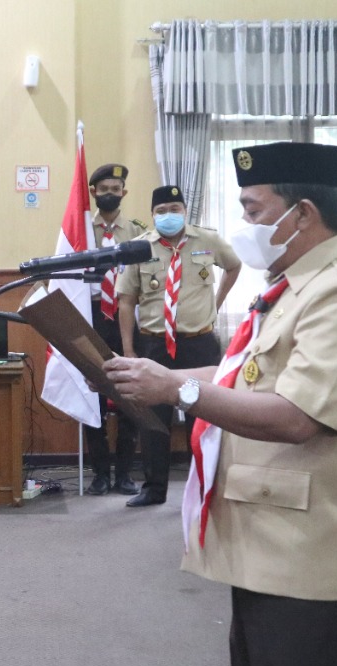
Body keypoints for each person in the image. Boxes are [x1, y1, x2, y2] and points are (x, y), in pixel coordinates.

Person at [107, 141, 337, 666]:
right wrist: (157, 376)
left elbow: (298, 415)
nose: (245, 224)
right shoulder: (296, 284)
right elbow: (240, 373)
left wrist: (176, 392)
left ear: (303, 216)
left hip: (316, 561)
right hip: (274, 548)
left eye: (254, 209)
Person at [115, 184, 240, 507]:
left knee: (204, 415)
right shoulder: (140, 248)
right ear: (152, 214)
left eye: (174, 209)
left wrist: (217, 301)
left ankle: (206, 486)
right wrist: (129, 350)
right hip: (155, 344)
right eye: (161, 211)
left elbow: (234, 265)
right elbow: (126, 301)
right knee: (153, 418)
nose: (168, 216)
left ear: (185, 211)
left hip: (198, 343)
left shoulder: (207, 240)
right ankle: (154, 489)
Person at [83, 163, 141, 496]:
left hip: (124, 316)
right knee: (94, 394)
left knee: (129, 391)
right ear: (93, 192)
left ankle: (124, 474)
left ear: (124, 193)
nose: (109, 194)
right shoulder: (80, 229)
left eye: (115, 189)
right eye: (103, 189)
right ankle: (100, 473)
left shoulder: (135, 231)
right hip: (91, 315)